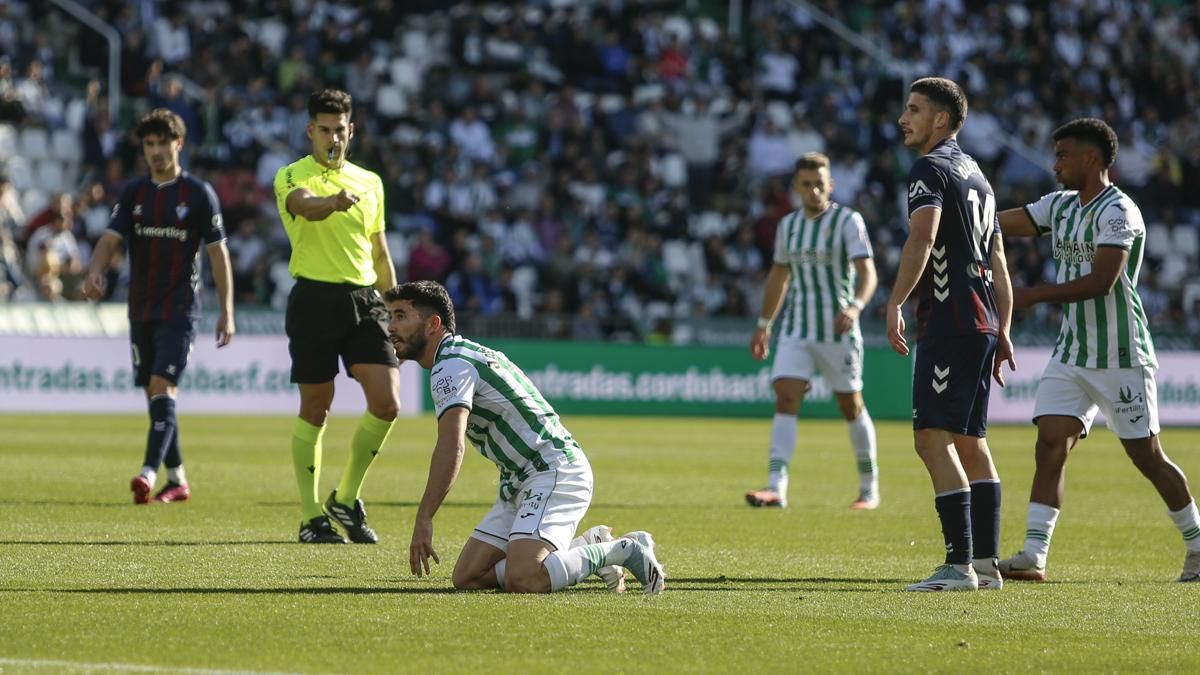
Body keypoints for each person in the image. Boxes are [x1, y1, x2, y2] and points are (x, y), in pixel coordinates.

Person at [995, 118, 1200, 583]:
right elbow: (1006, 222)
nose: (1055, 165)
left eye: (1062, 156)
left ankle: (1197, 543)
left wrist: (1031, 295)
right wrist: (963, 212)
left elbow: (1101, 281)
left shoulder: (1119, 212)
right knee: (1050, 442)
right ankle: (1034, 554)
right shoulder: (1060, 205)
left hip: (1121, 354)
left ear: (1091, 159)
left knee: (1146, 456)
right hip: (1071, 353)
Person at [385, 280, 665, 595]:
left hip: (553, 470)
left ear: (433, 324)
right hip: (520, 481)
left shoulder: (451, 365)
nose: (391, 326)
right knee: (468, 576)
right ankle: (589, 545)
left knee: (524, 578)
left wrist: (424, 517)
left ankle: (623, 549)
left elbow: (452, 445)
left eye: (400, 316)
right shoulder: (462, 354)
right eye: (390, 317)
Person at [888, 77, 1016, 592]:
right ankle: (985, 564)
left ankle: (958, 565)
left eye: (914, 109)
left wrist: (895, 301)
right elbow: (999, 261)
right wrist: (1003, 328)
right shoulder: (978, 176)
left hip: (951, 321)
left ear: (940, 120)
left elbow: (923, 236)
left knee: (931, 440)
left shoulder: (930, 168)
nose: (904, 118)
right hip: (982, 322)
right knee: (971, 442)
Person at [83, 108, 235, 504]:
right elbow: (109, 239)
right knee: (156, 396)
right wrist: (95, 271)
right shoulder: (134, 193)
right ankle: (178, 478)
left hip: (180, 310)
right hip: (140, 309)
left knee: (161, 386)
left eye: (162, 143)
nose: (155, 151)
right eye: (149, 144)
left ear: (178, 143)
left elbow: (218, 253)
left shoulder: (198, 194)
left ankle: (147, 473)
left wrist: (227, 311)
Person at [273, 89, 401, 544]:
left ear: (352, 131)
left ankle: (346, 498)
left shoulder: (371, 182)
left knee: (387, 403)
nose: (332, 137)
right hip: (314, 297)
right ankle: (311, 517)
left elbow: (380, 251)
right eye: (324, 129)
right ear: (310, 131)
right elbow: (304, 206)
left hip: (365, 299)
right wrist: (332, 202)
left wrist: (397, 308)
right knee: (316, 406)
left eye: (339, 130)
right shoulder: (292, 175)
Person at [745, 152, 881, 510]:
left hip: (838, 330)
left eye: (819, 183)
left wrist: (856, 306)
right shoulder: (788, 226)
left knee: (851, 406)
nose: (813, 190)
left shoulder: (848, 221)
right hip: (797, 329)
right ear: (796, 187)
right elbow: (779, 276)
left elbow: (868, 273)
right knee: (786, 396)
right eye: (806, 184)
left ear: (830, 184)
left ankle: (869, 488)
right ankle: (776, 487)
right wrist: (764, 324)